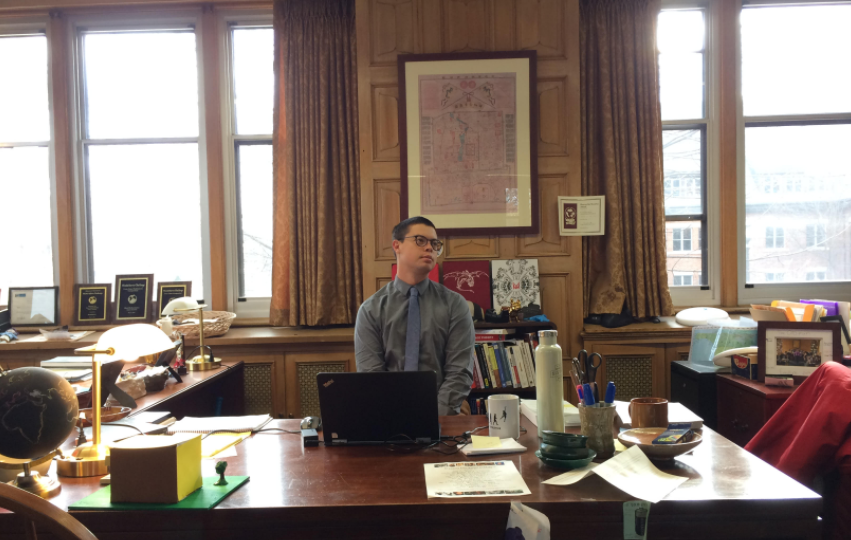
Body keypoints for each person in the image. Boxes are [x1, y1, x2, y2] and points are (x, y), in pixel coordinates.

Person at [354, 216, 475, 415]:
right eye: (420, 240)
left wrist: (431, 419)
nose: (430, 248)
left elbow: (459, 373)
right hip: (388, 414)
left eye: (435, 244)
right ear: (397, 245)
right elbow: (371, 377)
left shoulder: (454, 305)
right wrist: (398, 420)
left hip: (443, 412)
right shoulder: (371, 309)